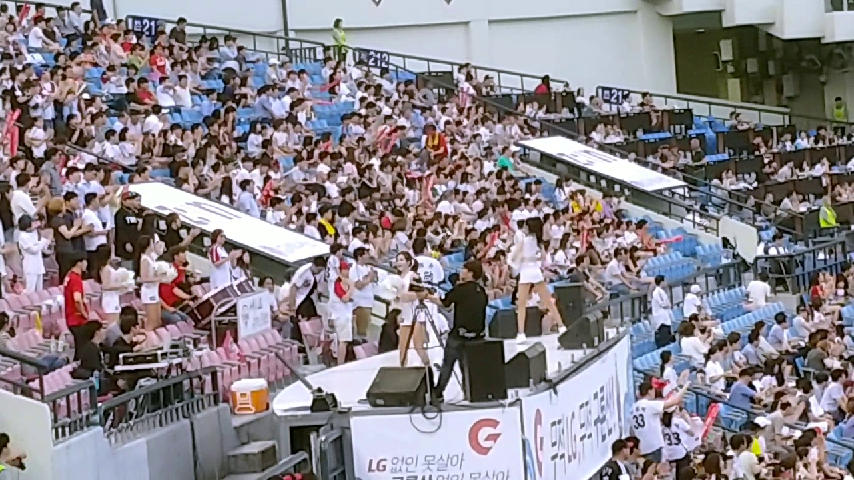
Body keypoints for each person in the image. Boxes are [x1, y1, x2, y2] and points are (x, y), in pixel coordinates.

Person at [431, 259, 489, 402]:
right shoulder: (481, 291)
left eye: (464, 269)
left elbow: (445, 304)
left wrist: (429, 297)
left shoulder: (460, 289)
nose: (461, 271)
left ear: (470, 273)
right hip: (476, 338)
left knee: (447, 365)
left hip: (459, 335)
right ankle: (469, 393)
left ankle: (437, 394)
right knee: (467, 367)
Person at [510, 217, 564, 342]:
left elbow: (514, 257)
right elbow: (543, 257)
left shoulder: (524, 240)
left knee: (521, 304)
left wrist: (517, 262)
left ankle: (521, 333)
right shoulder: (538, 241)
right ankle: (561, 326)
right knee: (548, 301)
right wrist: (533, 259)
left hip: (525, 271)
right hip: (535, 270)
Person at [631, 380, 690, 463]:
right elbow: (674, 401)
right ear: (649, 391)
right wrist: (685, 387)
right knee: (655, 469)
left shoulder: (633, 408)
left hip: (641, 447)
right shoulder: (649, 405)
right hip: (654, 446)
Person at [285, 256, 327, 344]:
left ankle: (312, 340)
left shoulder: (320, 272)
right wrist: (292, 306)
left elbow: (320, 285)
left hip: (309, 298)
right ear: (314, 266)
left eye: (321, 270)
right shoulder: (303, 272)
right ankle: (299, 341)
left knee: (313, 319)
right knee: (301, 321)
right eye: (318, 270)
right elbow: (293, 288)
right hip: (299, 299)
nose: (319, 272)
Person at [328, 261, 354, 365]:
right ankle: (340, 364)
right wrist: (352, 287)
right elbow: (344, 298)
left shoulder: (344, 283)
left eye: (348, 269)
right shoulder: (337, 283)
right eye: (345, 269)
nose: (347, 271)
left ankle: (341, 362)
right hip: (340, 317)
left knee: (344, 342)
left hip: (345, 316)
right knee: (343, 341)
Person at [16, 214, 51, 293]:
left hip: (38, 265)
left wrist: (45, 242)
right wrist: (43, 242)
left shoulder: (34, 233)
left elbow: (39, 244)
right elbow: (33, 250)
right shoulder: (23, 236)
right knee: (30, 290)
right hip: (30, 267)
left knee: (40, 290)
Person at [64, 252, 90, 350]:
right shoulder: (75, 279)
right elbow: (77, 299)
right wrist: (84, 313)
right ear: (79, 263)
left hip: (70, 317)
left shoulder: (69, 275)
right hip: (77, 319)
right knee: (82, 347)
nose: (86, 264)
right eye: (85, 261)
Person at [650, 275, 674, 348]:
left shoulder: (661, 291)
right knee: (664, 340)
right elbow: (662, 303)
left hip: (665, 318)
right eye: (665, 281)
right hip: (661, 320)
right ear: (662, 282)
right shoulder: (657, 292)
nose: (666, 283)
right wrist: (668, 305)